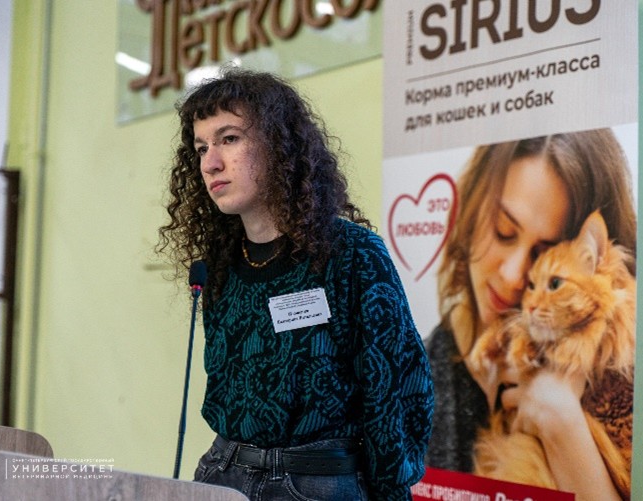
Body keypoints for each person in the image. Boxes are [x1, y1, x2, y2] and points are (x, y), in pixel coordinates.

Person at [156, 68, 435, 500]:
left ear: (278, 144)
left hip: (316, 482)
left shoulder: (352, 254)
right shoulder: (221, 265)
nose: (211, 163)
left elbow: (396, 392)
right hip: (222, 475)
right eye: (202, 147)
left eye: (229, 139)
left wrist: (391, 491)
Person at [425, 130, 637, 500]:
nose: (512, 277)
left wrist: (562, 423)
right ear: (471, 210)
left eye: (543, 253)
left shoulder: (627, 378)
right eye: (503, 231)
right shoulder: (423, 363)